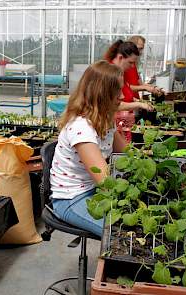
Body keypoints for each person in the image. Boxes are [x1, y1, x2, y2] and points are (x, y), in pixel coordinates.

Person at [50, 61, 149, 237]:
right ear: (101, 94)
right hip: (72, 199)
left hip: (93, 190)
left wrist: (148, 163)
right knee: (120, 233)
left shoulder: (105, 118)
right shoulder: (82, 128)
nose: (122, 96)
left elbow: (126, 153)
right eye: (117, 91)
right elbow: (105, 181)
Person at [104, 40, 153, 141]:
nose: (132, 67)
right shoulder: (109, 74)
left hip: (121, 125)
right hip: (113, 125)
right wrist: (139, 104)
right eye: (130, 62)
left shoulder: (119, 72)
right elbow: (114, 104)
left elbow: (126, 91)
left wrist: (136, 100)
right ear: (120, 57)